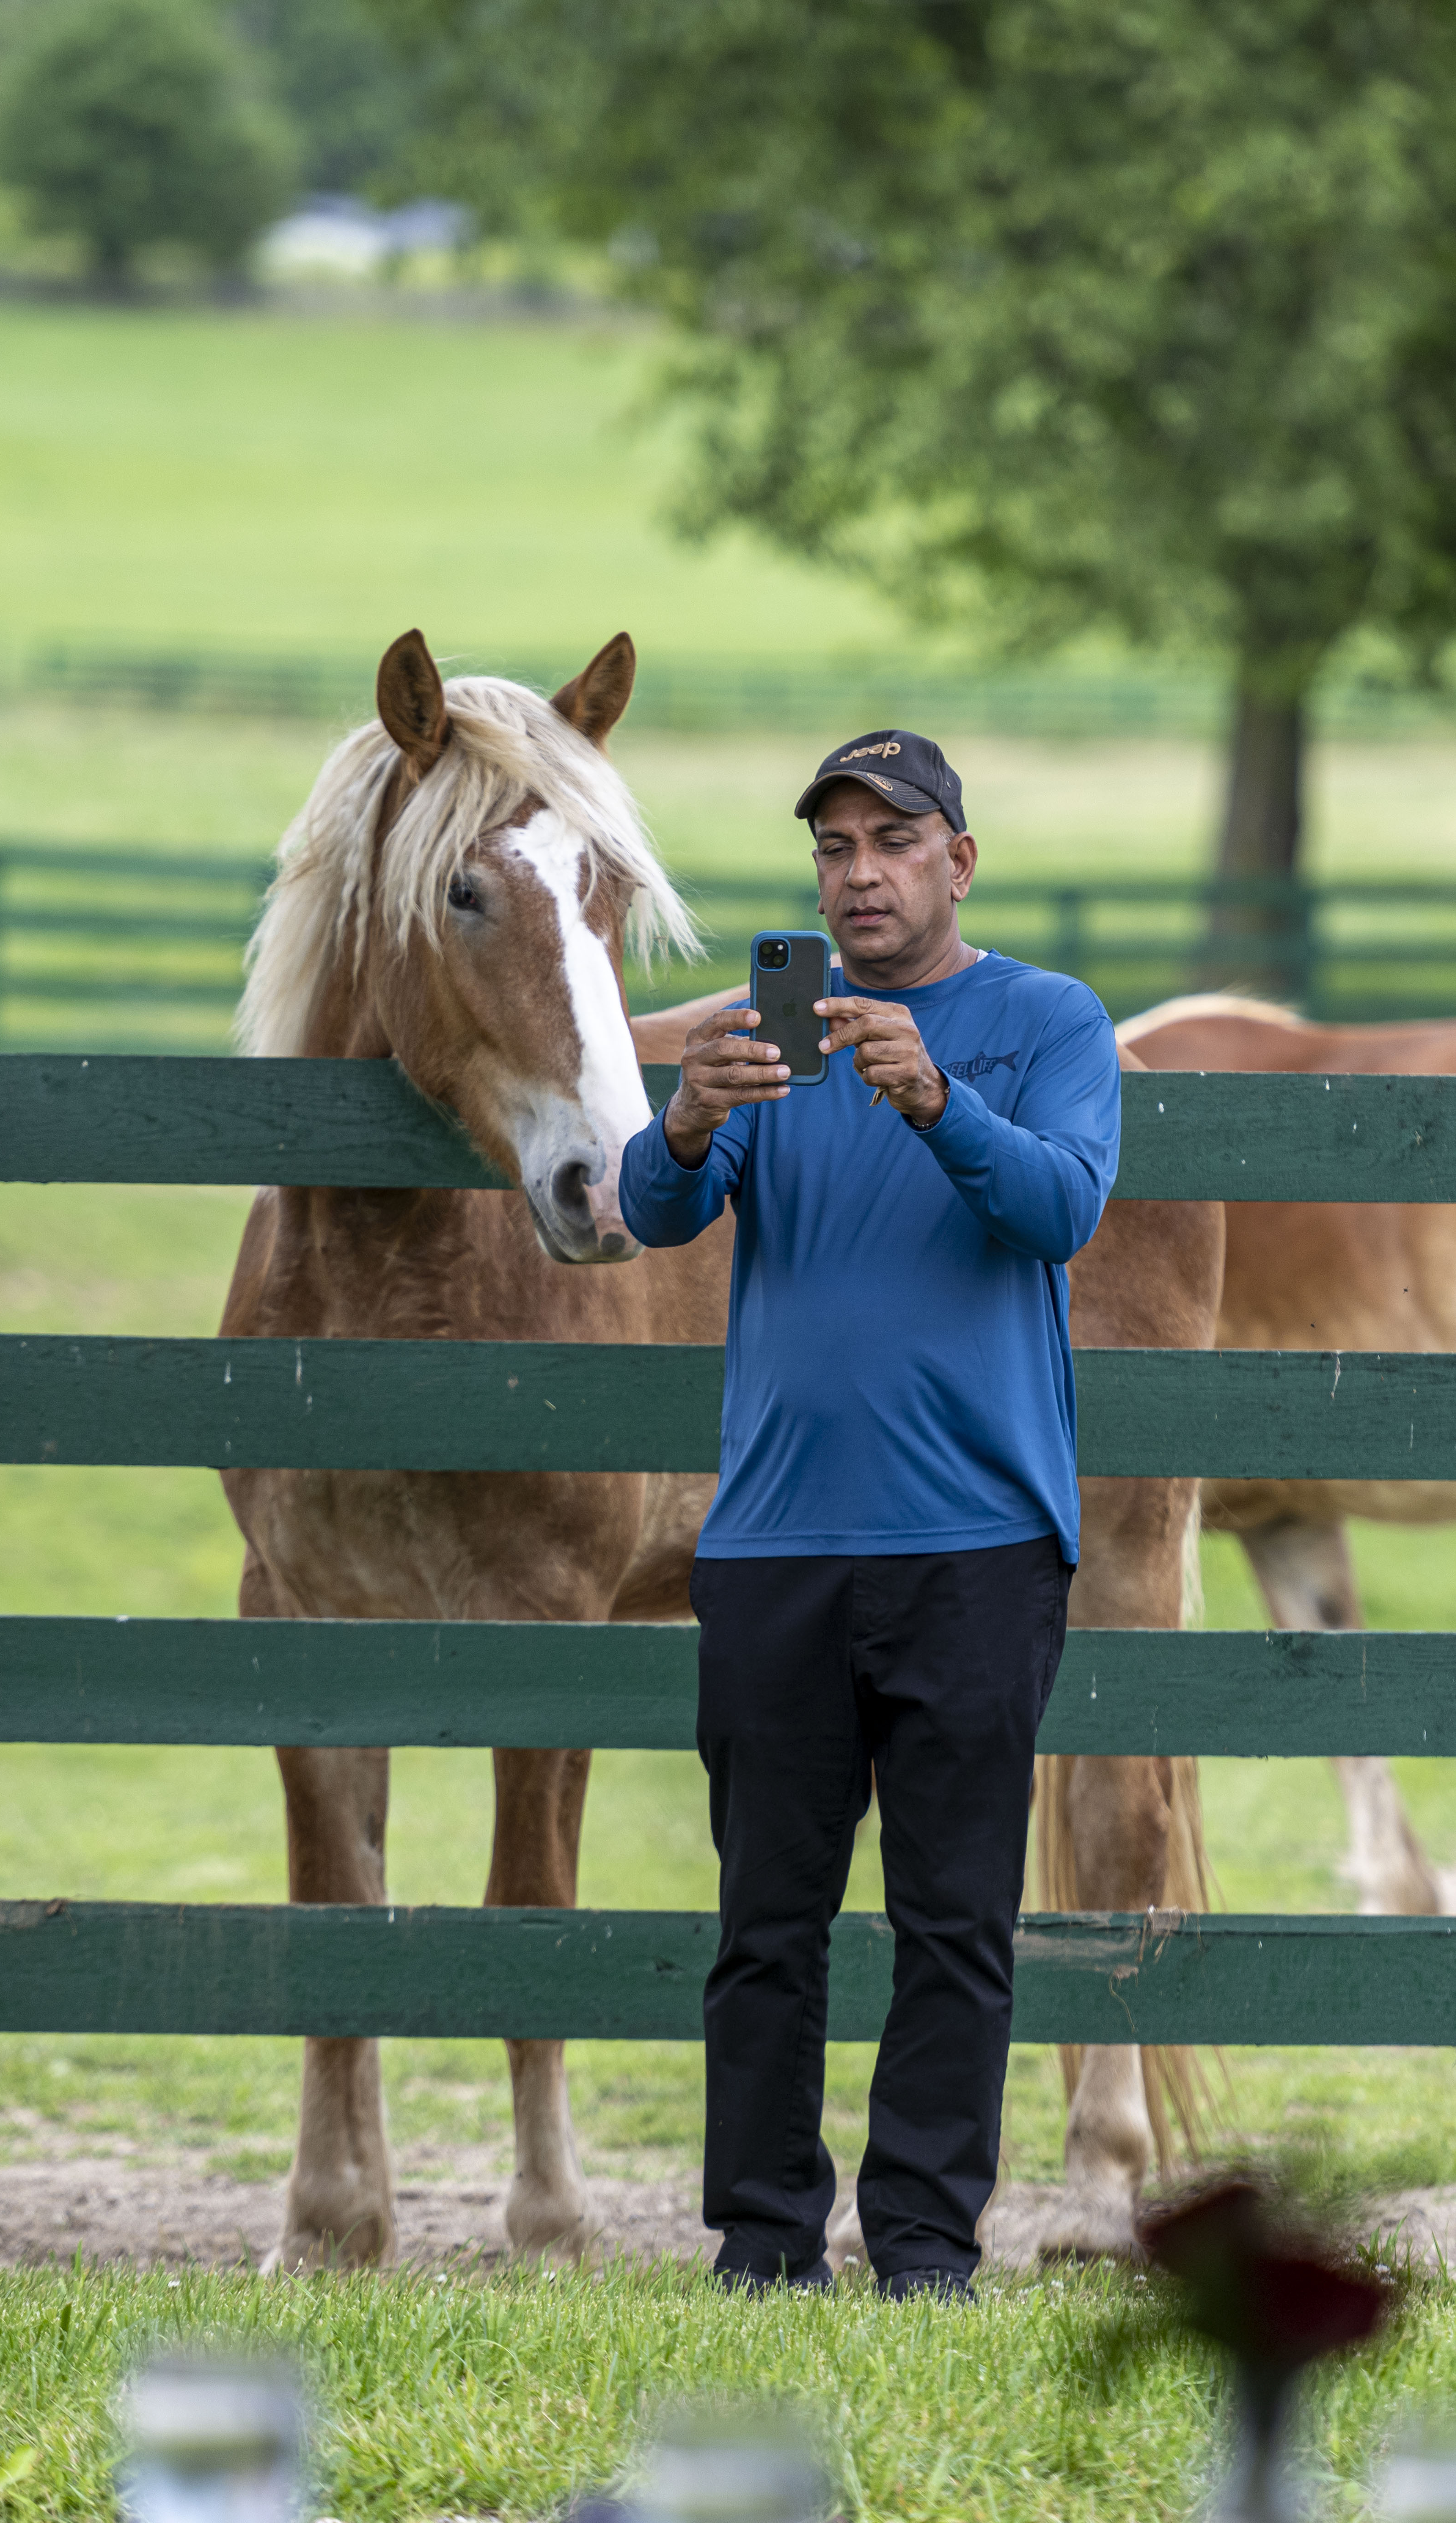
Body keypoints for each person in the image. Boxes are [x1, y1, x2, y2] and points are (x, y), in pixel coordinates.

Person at [618, 730, 1121, 2298]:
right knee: (765, 1924)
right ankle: (763, 2245)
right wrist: (690, 1116)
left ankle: (922, 2252)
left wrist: (937, 1101)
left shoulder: (1047, 1023)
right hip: (774, 1546)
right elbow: (647, 1211)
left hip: (979, 1544)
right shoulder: (774, 1027)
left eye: (892, 843)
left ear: (956, 861)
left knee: (955, 1923)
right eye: (835, 847)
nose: (860, 873)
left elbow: (1061, 1209)